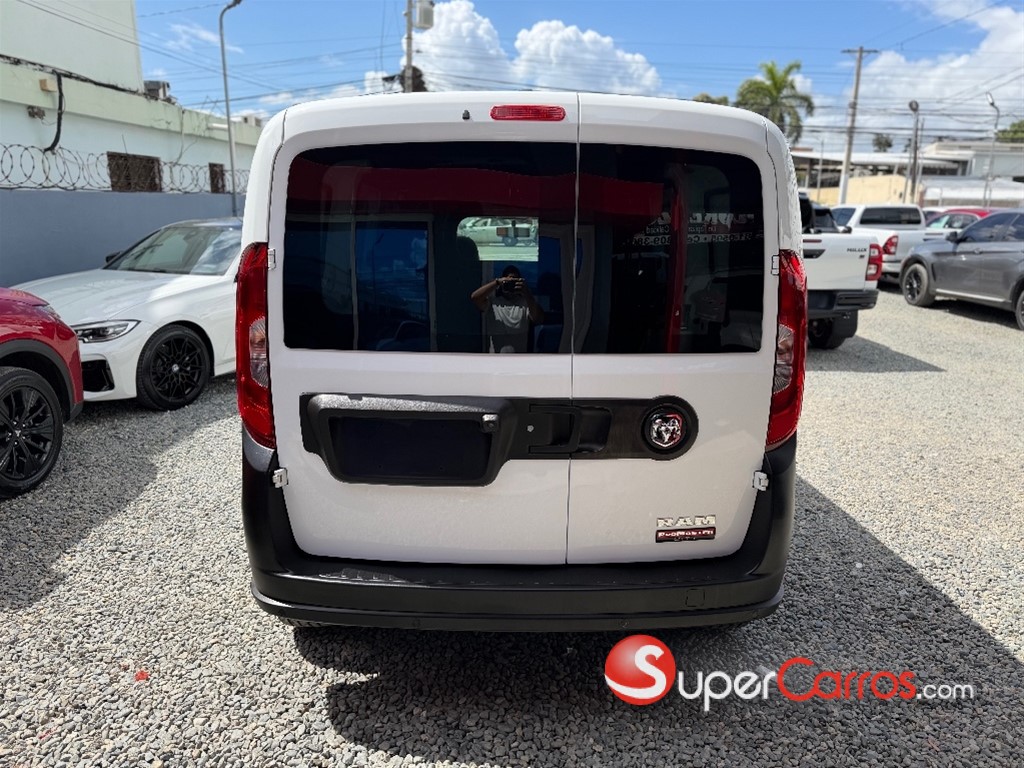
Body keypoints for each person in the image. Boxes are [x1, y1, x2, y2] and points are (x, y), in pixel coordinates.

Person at [471, 265, 544, 353]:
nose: (511, 285)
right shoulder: (493, 303)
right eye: (508, 282)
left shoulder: (525, 304)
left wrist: (526, 292)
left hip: (520, 359)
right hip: (496, 359)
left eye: (514, 282)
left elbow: (538, 319)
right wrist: (497, 282)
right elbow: (475, 298)